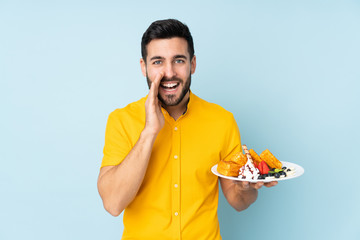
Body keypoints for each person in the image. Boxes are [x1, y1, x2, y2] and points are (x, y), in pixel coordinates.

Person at [97, 19, 277, 240]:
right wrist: (149, 132)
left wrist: (246, 187)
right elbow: (113, 204)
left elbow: (238, 201)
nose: (169, 73)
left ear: (192, 64)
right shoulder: (121, 120)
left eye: (178, 60)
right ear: (144, 67)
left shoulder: (222, 120)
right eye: (158, 62)